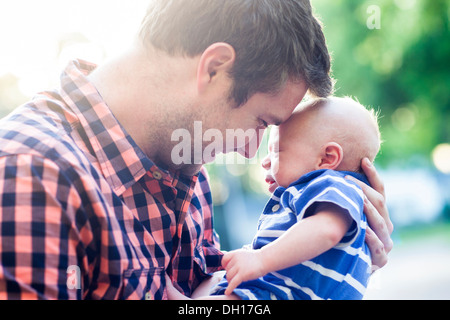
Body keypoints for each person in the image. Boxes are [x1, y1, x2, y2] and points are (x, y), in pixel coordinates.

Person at [0, 0, 392, 300]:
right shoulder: (33, 174)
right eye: (261, 123)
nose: (251, 150)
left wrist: (324, 269)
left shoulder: (186, 172)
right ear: (214, 67)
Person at [166, 96, 381, 300]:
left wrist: (260, 259)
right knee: (219, 279)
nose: (265, 162)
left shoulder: (336, 186)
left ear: (326, 158)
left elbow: (327, 230)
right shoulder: (318, 195)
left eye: (277, 151)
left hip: (286, 293)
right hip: (281, 288)